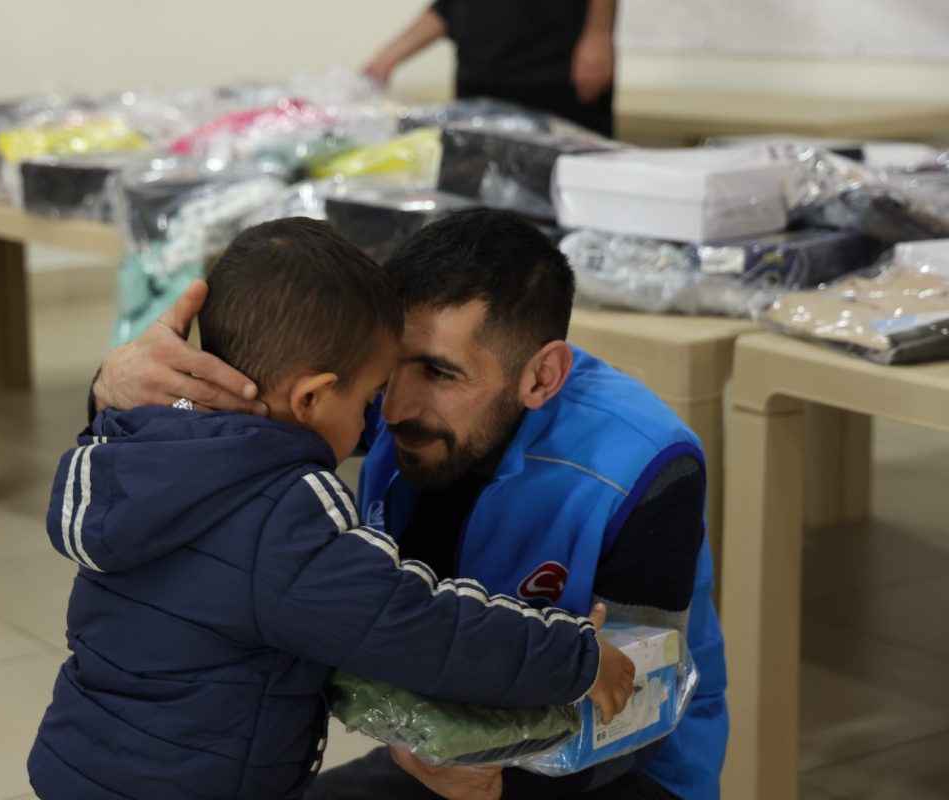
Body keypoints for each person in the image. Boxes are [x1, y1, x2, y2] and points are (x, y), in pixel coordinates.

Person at [91, 209, 728, 800]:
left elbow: (642, 703)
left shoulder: (646, 464)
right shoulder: (375, 401)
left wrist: (495, 771)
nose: (391, 408)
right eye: (388, 369)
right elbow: (208, 444)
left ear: (541, 376)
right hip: (439, 748)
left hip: (605, 773)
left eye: (440, 373)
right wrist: (117, 389)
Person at [363, 0, 618, 137]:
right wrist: (386, 59)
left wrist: (598, 33)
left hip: (554, 76)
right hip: (479, 82)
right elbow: (450, 7)